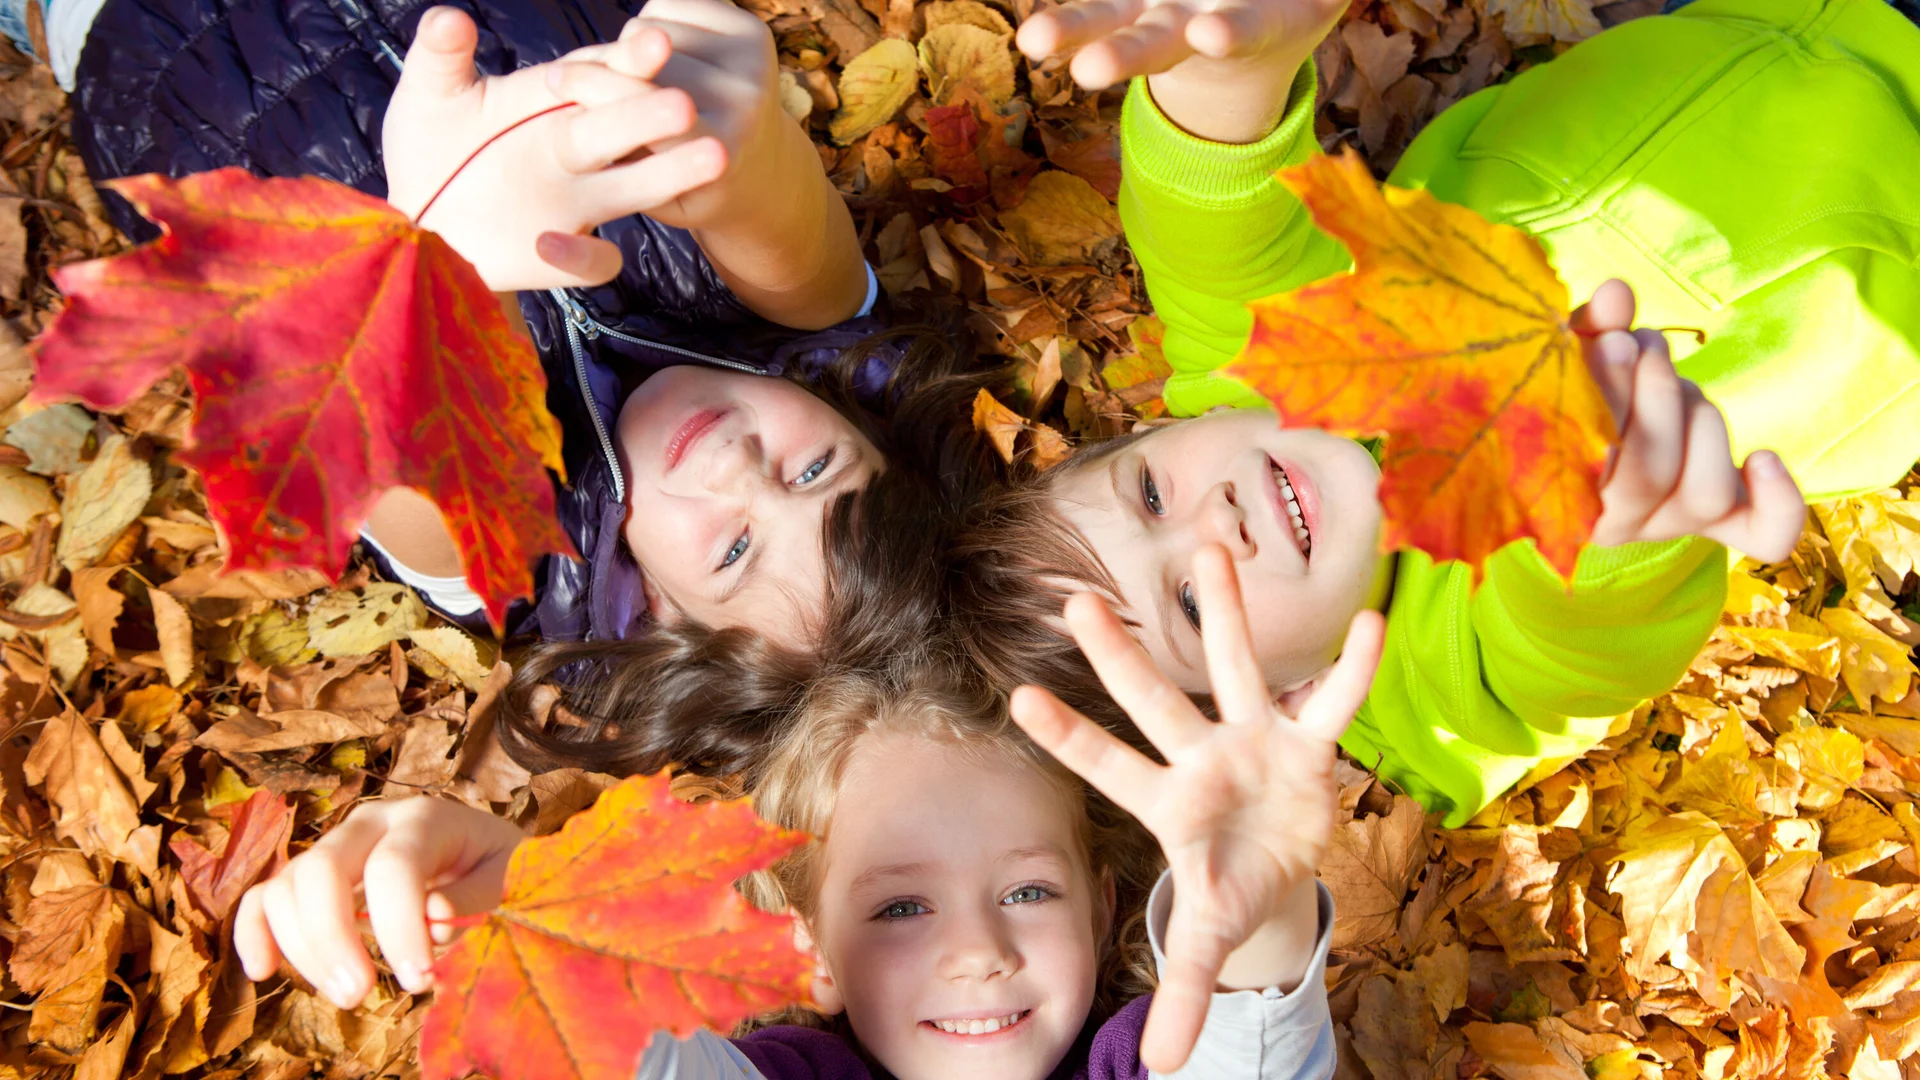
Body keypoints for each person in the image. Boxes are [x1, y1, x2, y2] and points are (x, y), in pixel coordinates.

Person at [952, 0, 1920, 826]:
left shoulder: (1265, 370)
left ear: (1155, 431)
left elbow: (1214, 224)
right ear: (1282, 699)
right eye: (1192, 605)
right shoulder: (1439, 690)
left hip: (1764, 27)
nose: (1217, 523)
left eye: (1153, 492)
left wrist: (1224, 74)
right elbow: (1565, 650)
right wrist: (1607, 525)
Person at [65, 0, 1002, 771]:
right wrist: (732, 136)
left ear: (659, 617)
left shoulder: (503, 553)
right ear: (858, 417)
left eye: (734, 552)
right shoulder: (802, 323)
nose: (737, 463)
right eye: (814, 471)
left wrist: (457, 273)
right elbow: (776, 212)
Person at [231, 544, 1378, 1079]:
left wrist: (1259, 913)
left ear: (1107, 905)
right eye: (898, 908)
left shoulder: (1131, 1065)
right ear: (805, 947)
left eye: (1029, 891)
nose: (978, 951)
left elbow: (1241, 1057)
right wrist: (542, 920)